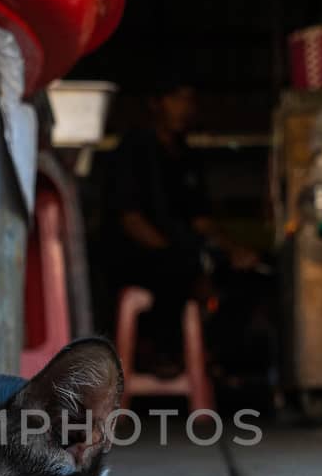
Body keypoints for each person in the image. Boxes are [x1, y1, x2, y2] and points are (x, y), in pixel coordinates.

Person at [104, 77, 252, 374]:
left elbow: (201, 221)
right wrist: (182, 256)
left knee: (249, 276)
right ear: (156, 104)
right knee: (176, 268)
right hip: (135, 255)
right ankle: (161, 353)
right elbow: (131, 220)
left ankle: (216, 359)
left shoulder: (187, 156)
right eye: (176, 99)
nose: (184, 108)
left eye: (189, 100)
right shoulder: (134, 149)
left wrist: (234, 251)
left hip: (184, 250)